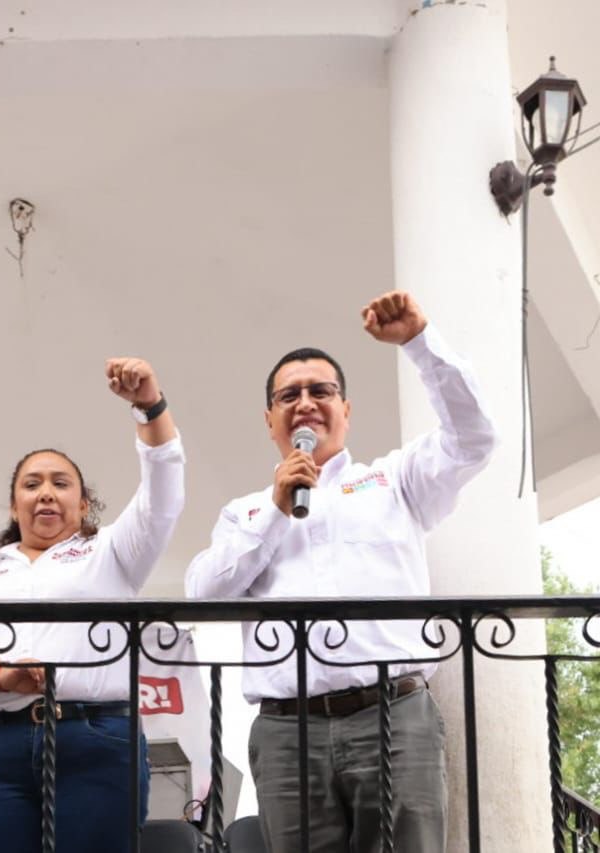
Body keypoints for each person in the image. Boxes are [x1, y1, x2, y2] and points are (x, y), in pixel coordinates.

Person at [185, 290, 496, 853]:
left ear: (346, 411)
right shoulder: (246, 512)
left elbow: (475, 438)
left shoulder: (395, 481)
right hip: (287, 729)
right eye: (289, 395)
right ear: (270, 419)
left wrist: (421, 344)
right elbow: (203, 593)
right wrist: (276, 513)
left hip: (393, 714)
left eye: (321, 391)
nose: (305, 403)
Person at [0, 357, 185, 853]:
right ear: (13, 505)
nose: (45, 494)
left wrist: (149, 407)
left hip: (96, 736)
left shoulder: (111, 551)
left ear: (83, 503)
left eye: (60, 483)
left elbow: (163, 499)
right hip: (4, 743)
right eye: (32, 484)